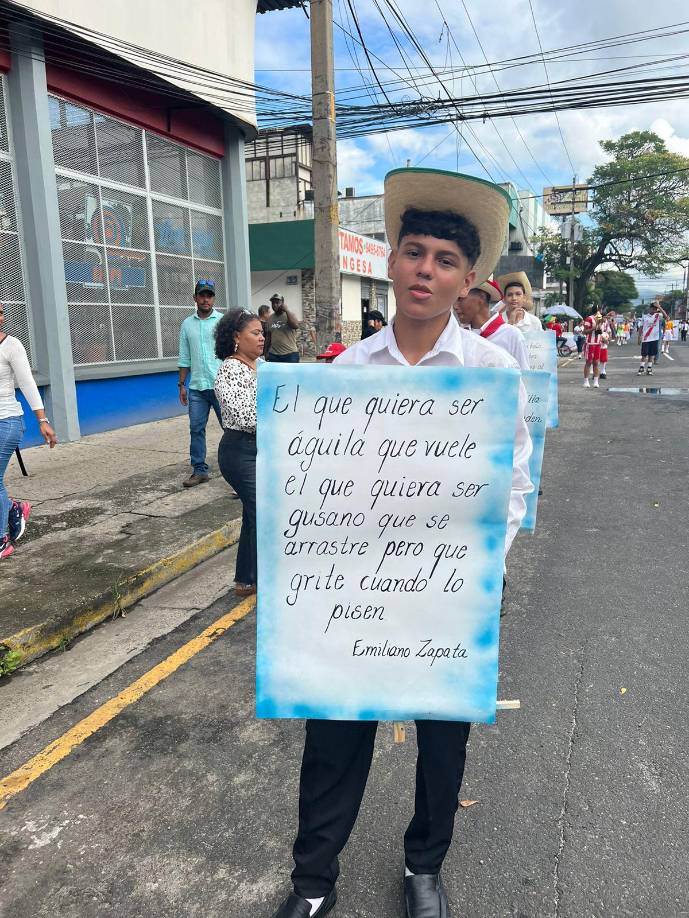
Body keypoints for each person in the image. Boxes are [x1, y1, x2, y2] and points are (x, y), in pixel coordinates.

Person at [270, 167, 533, 918]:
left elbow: (512, 477)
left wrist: (480, 565)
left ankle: (424, 868)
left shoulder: (490, 368)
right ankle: (312, 882)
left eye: (445, 260)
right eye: (414, 251)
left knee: (442, 742)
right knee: (335, 736)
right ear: (389, 262)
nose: (426, 270)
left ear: (468, 279)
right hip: (354, 589)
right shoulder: (344, 372)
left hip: (452, 588)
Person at [0, 305, 58, 559]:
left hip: (7, 421)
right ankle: (13, 509)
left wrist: (42, 420)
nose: (0, 316)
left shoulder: (12, 345)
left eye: (0, 311)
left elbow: (26, 383)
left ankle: (3, 539)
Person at [214, 309, 264, 597]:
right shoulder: (231, 369)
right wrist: (281, 417)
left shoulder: (263, 365)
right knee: (264, 512)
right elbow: (245, 415)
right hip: (240, 451)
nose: (262, 338)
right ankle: (268, 579)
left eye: (262, 332)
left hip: (262, 449)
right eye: (255, 333)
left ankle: (246, 579)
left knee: (253, 514)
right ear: (236, 337)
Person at [178, 279, 228, 490]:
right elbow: (184, 357)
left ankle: (235, 474)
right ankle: (199, 470)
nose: (205, 299)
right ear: (195, 298)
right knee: (196, 429)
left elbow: (232, 352)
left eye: (209, 295)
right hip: (197, 388)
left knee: (231, 430)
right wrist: (181, 384)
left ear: (213, 298)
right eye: (202, 295)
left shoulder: (223, 322)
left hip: (221, 386)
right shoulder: (187, 324)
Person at [454, 279, 529, 369]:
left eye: (460, 299)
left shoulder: (512, 335)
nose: (455, 306)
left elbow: (524, 376)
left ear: (481, 297)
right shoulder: (458, 336)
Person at [265, 294, 301, 363]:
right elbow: (268, 337)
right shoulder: (270, 318)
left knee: (291, 374)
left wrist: (287, 310)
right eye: (273, 303)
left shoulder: (290, 315)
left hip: (290, 354)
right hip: (274, 355)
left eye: (277, 303)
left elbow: (295, 326)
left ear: (283, 304)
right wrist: (266, 353)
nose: (275, 305)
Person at [638, 301, 669, 376]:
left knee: (651, 355)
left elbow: (667, 317)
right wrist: (639, 337)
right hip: (646, 338)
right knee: (644, 354)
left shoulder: (658, 316)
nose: (655, 310)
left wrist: (659, 307)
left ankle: (649, 368)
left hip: (654, 338)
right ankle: (641, 367)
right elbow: (641, 327)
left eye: (656, 309)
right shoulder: (644, 317)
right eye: (653, 308)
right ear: (650, 309)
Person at [582, 311, 604, 388]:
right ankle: (586, 381)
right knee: (588, 362)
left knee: (596, 363)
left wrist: (599, 327)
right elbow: (584, 332)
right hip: (590, 344)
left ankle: (596, 382)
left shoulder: (601, 319)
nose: (600, 313)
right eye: (599, 311)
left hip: (598, 344)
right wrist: (593, 328)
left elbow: (600, 332)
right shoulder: (589, 319)